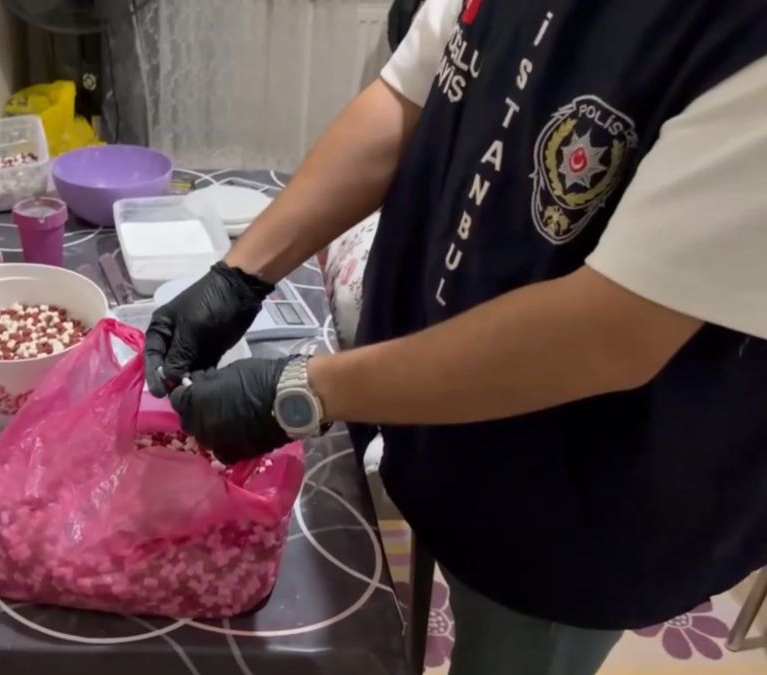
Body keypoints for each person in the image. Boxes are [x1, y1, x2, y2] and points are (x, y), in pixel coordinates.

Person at [144, 0, 767, 673]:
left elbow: (613, 330)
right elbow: (411, 93)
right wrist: (241, 274)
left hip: (579, 496)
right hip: (441, 409)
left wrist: (303, 389)